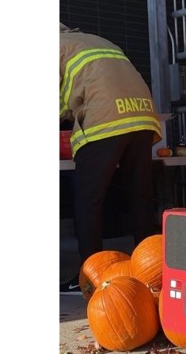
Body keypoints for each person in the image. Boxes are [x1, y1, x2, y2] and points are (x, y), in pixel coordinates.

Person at [59, 23, 163, 293]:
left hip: (103, 119)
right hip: (142, 117)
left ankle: (90, 276)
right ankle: (150, 273)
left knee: (88, 201)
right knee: (139, 196)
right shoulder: (95, 39)